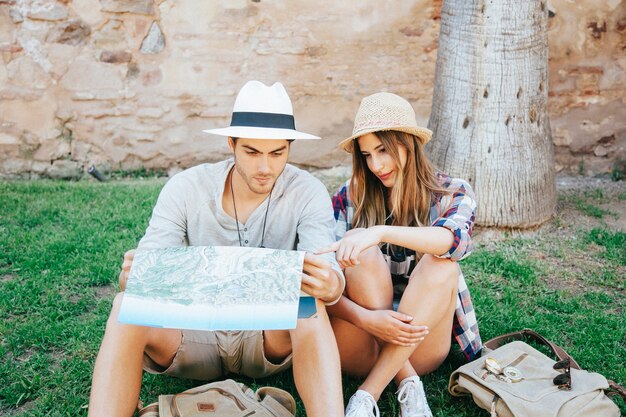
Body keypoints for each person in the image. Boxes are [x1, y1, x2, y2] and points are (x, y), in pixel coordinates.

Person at [88, 80, 346, 417]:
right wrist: (132, 278)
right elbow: (144, 275)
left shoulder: (307, 191)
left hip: (266, 338)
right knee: (124, 304)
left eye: (277, 153)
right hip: (191, 337)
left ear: (290, 147)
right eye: (252, 152)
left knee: (309, 306)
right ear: (231, 144)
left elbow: (331, 273)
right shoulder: (186, 187)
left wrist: (332, 284)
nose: (265, 167)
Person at [319, 92, 482, 417]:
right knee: (358, 249)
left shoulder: (452, 193)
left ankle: (367, 396)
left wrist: (379, 232)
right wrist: (369, 319)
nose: (376, 165)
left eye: (383, 150)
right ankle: (407, 382)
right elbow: (322, 281)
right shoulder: (348, 197)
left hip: (419, 341)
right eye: (367, 154)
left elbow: (454, 242)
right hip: (360, 339)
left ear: (409, 142)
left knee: (442, 266)